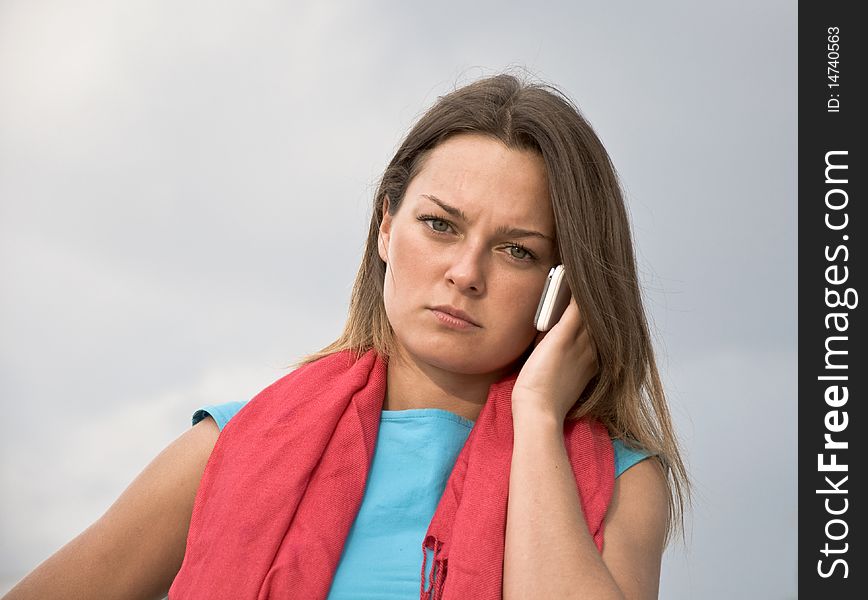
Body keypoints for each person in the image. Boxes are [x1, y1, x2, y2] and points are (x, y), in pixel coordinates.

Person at [4, 72, 689, 600]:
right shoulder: (230, 447)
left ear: (562, 288)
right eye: (441, 225)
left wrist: (538, 417)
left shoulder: (624, 480)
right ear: (386, 225)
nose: (465, 274)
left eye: (517, 251)